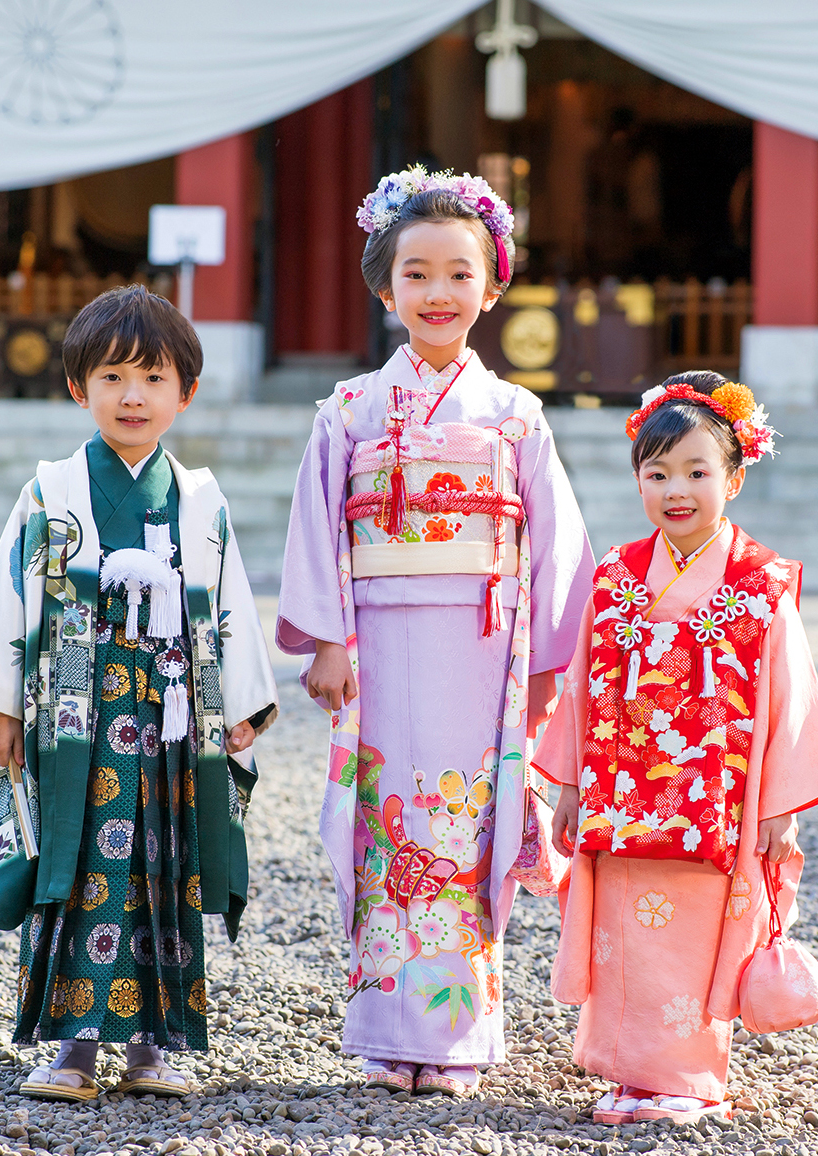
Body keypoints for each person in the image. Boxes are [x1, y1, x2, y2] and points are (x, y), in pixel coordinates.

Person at [277, 165, 595, 1097]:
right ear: (384, 288)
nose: (438, 293)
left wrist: (544, 665)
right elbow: (315, 523)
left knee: (464, 825)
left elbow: (555, 540)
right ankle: (384, 1029)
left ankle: (454, 1038)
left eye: (459, 274)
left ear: (491, 288)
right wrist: (327, 639)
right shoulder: (347, 410)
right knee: (385, 823)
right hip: (375, 635)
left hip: (483, 643)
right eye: (416, 274)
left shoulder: (514, 414)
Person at [0, 286, 278, 1102]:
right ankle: (71, 1045)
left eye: (154, 378)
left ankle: (152, 1048)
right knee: (77, 858)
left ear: (186, 392)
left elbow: (230, 601)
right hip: (76, 709)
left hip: (171, 710)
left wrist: (240, 705)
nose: (133, 396)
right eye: (111, 377)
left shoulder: (201, 499)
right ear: (77, 388)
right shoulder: (48, 491)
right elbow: (7, 595)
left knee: (162, 863)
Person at [535, 372, 818, 1125]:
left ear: (734, 479)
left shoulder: (758, 584)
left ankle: (684, 1077)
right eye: (658, 473)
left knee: (691, 934)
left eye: (697, 471)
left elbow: (789, 701)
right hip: (618, 791)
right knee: (621, 933)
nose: (677, 489)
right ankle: (625, 1069)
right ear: (637, 480)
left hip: (719, 800)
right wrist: (569, 789)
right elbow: (578, 685)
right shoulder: (612, 578)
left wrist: (779, 807)